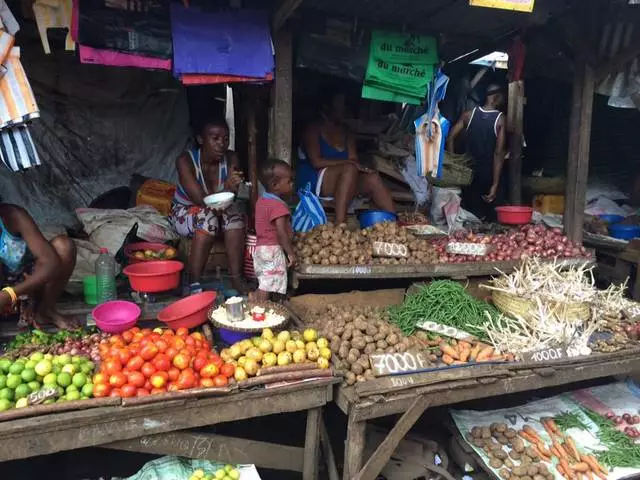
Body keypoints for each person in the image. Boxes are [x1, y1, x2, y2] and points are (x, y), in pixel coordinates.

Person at [170, 118, 246, 294]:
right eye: (215, 138)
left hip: (221, 211)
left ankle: (236, 278)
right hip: (186, 211)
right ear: (201, 139)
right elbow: (200, 200)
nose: (221, 144)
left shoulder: (231, 158)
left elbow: (232, 197)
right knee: (208, 217)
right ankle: (193, 282)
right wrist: (227, 188)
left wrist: (234, 187)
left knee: (235, 215)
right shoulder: (185, 161)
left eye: (225, 139)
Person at [298, 90, 395, 225]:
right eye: (340, 105)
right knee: (349, 169)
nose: (345, 109)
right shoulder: (314, 129)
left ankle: (395, 223)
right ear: (327, 107)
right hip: (315, 181)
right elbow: (316, 162)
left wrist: (359, 167)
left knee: (373, 178)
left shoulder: (346, 132)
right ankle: (340, 224)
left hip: (344, 180)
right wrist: (348, 162)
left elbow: (354, 160)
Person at [0, 202, 76, 329]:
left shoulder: (13, 216)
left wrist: (10, 293)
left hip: (29, 283)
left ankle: (45, 311)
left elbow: (50, 262)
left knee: (64, 246)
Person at [446, 84, 506, 221]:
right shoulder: (500, 119)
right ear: (497, 97)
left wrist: (454, 164)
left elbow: (450, 137)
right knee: (493, 216)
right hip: (489, 173)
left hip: (469, 172)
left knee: (471, 214)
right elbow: (498, 153)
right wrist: (495, 184)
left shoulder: (468, 115)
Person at [252, 159, 295, 302]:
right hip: (272, 250)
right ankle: (261, 309)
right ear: (275, 185)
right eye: (289, 181)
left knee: (265, 280)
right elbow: (281, 233)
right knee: (267, 284)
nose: (292, 184)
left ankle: (254, 300)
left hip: (260, 249)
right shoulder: (278, 206)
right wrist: (290, 253)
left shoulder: (262, 201)